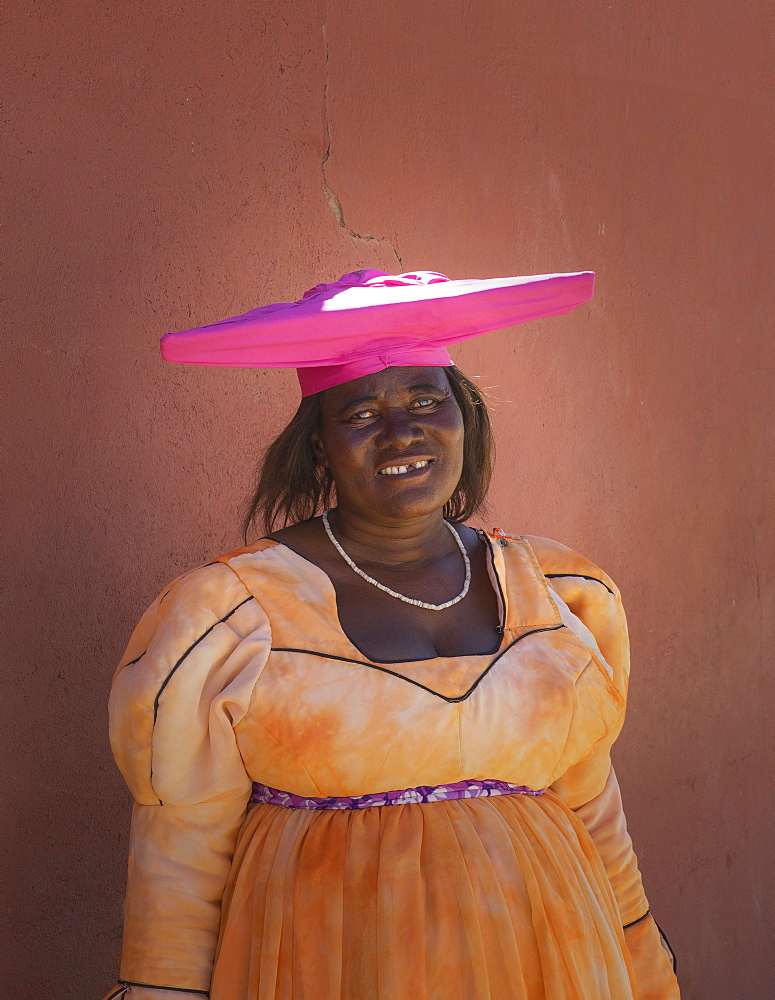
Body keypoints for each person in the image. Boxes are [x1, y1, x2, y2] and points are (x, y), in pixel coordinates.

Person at [102, 270, 680, 1000]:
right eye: (360, 412)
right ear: (317, 449)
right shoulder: (230, 615)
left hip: (553, 964)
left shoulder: (560, 592)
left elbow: (593, 807)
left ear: (463, 419)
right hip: (333, 967)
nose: (400, 430)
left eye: (423, 400)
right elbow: (181, 851)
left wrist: (643, 967)